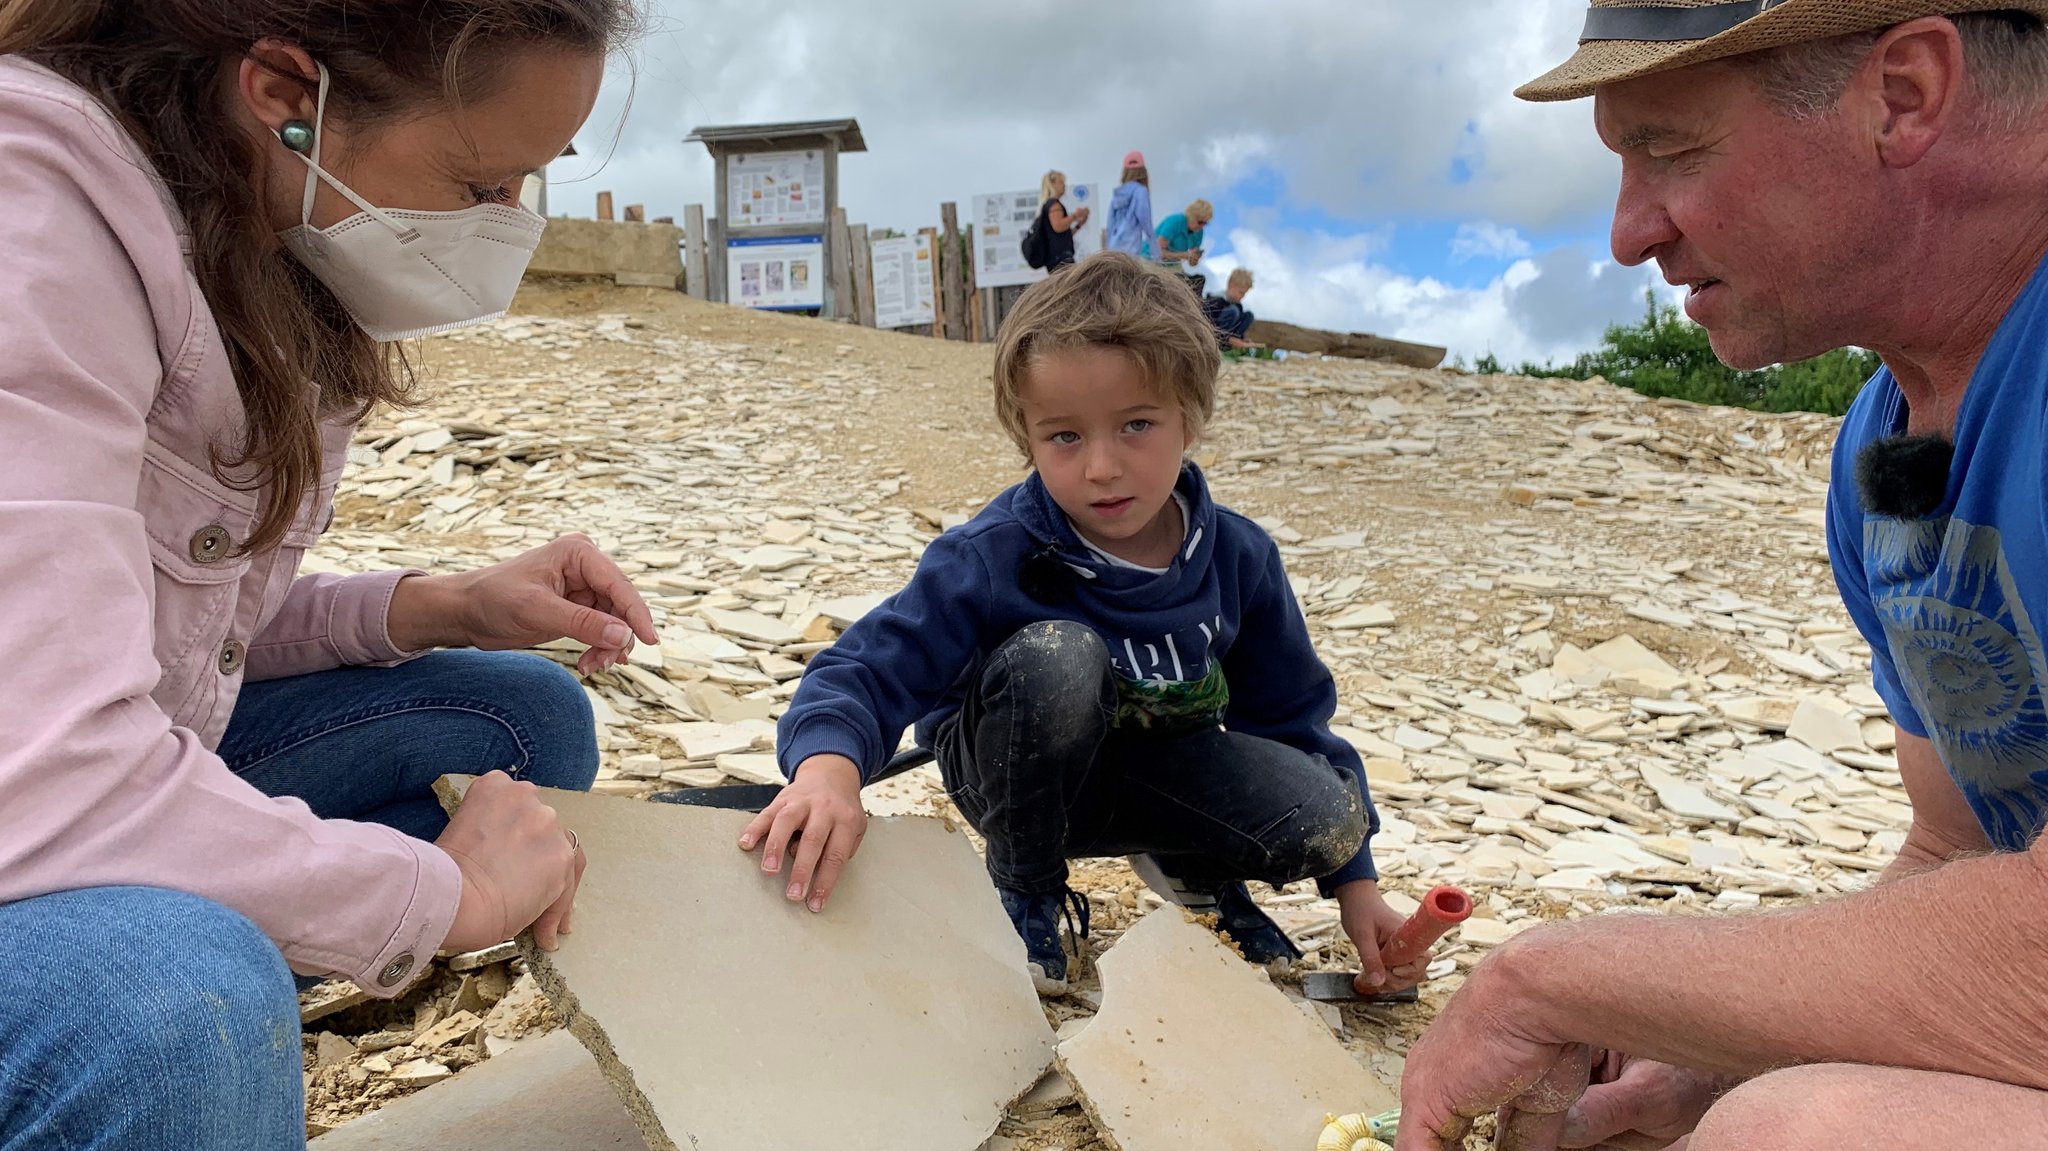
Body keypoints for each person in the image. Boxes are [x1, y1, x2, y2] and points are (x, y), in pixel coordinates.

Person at [0, 2, 652, 1146]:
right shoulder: (36, 220)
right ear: (286, 95)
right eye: (479, 183)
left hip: (74, 763)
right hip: (38, 796)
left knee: (518, 720)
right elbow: (48, 776)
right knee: (181, 1005)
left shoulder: (257, 227)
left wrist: (441, 604)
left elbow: (141, 618)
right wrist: (439, 901)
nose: (508, 226)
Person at [1396, 4, 2048, 1149]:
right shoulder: (1875, 455)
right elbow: (1956, 851)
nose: (1626, 233)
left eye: (1667, 148)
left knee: (1800, 1133)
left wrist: (1556, 975)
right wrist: (1704, 1044)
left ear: (1902, 93)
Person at [739, 252, 1420, 999]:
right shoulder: (994, 553)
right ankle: (1027, 887)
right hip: (1015, 776)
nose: (1101, 466)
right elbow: (866, 667)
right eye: (1064, 436)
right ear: (1025, 436)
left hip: (1160, 780)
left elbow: (1292, 720)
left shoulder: (1239, 557)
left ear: (1189, 416)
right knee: (1058, 659)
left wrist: (1357, 884)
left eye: (1136, 424)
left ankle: (1198, 868)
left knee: (1327, 814)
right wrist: (829, 772)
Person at [1154, 198, 1212, 294]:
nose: (1202, 226)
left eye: (1205, 223)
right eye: (1200, 222)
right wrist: (1184, 255)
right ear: (1191, 216)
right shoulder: (1175, 222)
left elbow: (1192, 264)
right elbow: (1158, 252)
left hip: (1173, 267)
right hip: (1151, 261)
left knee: (1198, 281)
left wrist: (1194, 258)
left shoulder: (1199, 232)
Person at [1035, 169, 1090, 271]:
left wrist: (1078, 225)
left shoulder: (1048, 205)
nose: (1064, 185)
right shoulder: (1054, 205)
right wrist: (1075, 216)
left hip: (1056, 259)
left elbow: (1062, 236)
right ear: (1053, 184)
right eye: (1061, 182)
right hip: (1060, 259)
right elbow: (1058, 226)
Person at [1105, 149, 1155, 259]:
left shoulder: (1117, 194)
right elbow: (1145, 221)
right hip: (1131, 249)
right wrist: (1156, 253)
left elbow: (1110, 225)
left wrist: (1107, 251)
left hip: (1114, 248)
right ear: (1143, 171)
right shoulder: (1141, 191)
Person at [1202, 268, 1261, 351]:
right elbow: (1207, 322)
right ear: (1230, 285)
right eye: (1241, 292)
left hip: (1228, 335)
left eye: (1245, 293)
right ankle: (1225, 340)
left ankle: (1234, 340)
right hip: (1214, 335)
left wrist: (1242, 338)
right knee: (1233, 311)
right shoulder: (1215, 300)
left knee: (1249, 315)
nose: (1243, 296)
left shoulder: (1237, 306)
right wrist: (1227, 339)